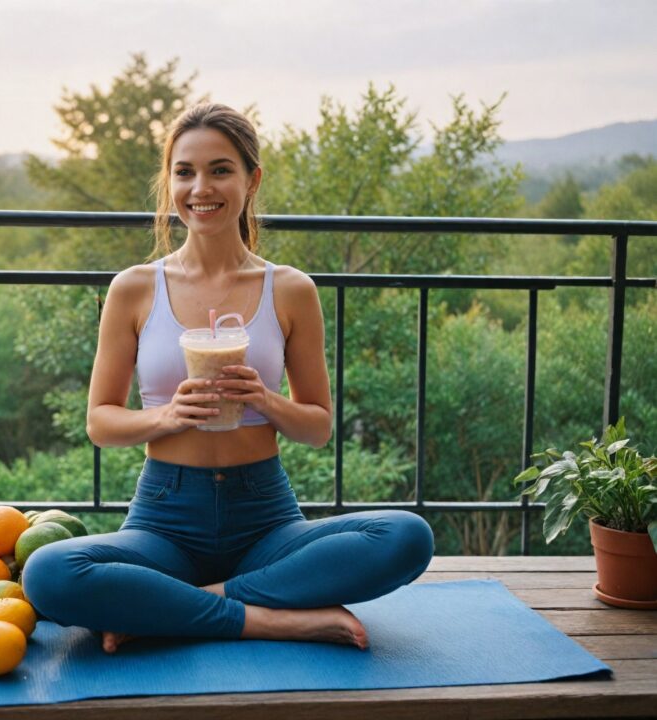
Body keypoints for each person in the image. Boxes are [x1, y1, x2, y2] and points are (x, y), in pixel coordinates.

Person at [22, 102, 434, 654]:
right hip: (164, 520)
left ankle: (178, 608)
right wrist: (168, 415)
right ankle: (271, 619)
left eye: (220, 170)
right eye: (184, 172)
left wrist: (266, 399)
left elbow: (317, 427)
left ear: (251, 180)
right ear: (170, 183)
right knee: (48, 572)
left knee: (407, 536)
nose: (201, 188)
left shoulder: (290, 289)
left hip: (266, 520)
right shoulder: (135, 288)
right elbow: (101, 422)